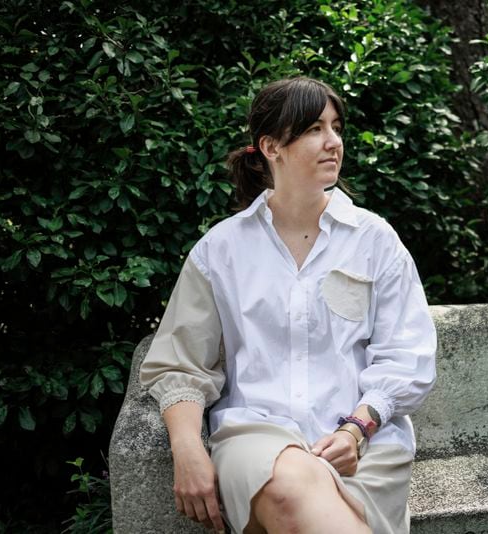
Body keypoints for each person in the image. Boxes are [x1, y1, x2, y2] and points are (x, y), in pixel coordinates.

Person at [140, 76, 437, 534]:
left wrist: (355, 429)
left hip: (365, 449)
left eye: (337, 127)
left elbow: (407, 355)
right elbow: (179, 365)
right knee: (288, 485)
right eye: (314, 129)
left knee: (296, 499)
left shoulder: (375, 240)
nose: (333, 142)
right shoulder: (220, 251)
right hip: (256, 436)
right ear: (271, 146)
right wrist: (187, 449)